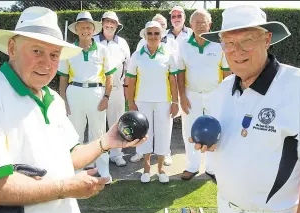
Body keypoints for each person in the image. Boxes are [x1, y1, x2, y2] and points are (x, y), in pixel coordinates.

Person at [0, 6, 146, 213]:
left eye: (54, 55)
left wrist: (107, 141)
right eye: (37, 51)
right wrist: (64, 188)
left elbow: (68, 156)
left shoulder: (54, 99)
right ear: (12, 48)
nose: (47, 63)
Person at [192, 5, 300, 213]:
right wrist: (209, 145)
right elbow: (234, 140)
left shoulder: (299, 85)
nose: (237, 51)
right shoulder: (222, 89)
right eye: (229, 43)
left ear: (266, 40)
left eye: (246, 40)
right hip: (226, 211)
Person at [57, 11, 116, 184]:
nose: (85, 30)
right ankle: (76, 170)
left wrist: (106, 96)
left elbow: (110, 76)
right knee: (75, 134)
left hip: (97, 93)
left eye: (88, 27)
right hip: (74, 92)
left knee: (99, 133)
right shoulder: (68, 51)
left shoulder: (103, 50)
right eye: (81, 27)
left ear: (93, 29)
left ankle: (103, 170)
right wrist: (63, 101)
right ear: (76, 30)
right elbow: (63, 79)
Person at [176, 9, 231, 181]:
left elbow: (226, 72)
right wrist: (182, 97)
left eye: (203, 22)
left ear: (210, 24)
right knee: (189, 131)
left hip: (215, 94)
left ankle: (212, 168)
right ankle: (191, 167)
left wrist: (225, 96)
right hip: (191, 94)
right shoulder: (183, 44)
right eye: (196, 22)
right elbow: (180, 72)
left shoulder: (219, 45)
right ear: (190, 25)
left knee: (215, 130)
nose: (200, 25)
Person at [126, 21, 179, 183]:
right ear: (145, 35)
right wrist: (131, 102)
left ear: (161, 35)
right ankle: (147, 168)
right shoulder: (137, 55)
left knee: (164, 133)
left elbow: (173, 81)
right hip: (142, 101)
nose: (153, 36)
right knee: (144, 134)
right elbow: (131, 81)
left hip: (164, 101)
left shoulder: (169, 55)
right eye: (150, 33)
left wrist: (175, 102)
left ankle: (161, 168)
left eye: (157, 33)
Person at [93, 11, 131, 167]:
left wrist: (126, 88)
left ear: (117, 25)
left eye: (112, 23)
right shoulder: (93, 40)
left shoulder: (122, 43)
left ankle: (117, 154)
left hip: (117, 89)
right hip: (97, 89)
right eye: (106, 22)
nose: (109, 25)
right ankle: (98, 156)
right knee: (98, 123)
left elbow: (128, 68)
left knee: (117, 123)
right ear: (102, 23)